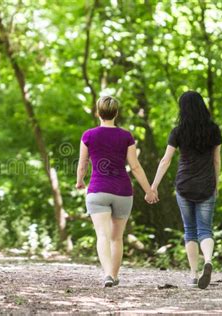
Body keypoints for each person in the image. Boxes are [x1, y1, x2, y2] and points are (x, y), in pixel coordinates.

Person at [76, 95, 158, 287]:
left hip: (98, 191)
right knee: (116, 237)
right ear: (116, 113)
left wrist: (80, 181)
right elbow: (135, 167)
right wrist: (149, 191)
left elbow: (82, 164)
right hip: (122, 191)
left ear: (97, 112)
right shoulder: (126, 136)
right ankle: (113, 274)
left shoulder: (88, 135)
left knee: (102, 236)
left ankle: (107, 275)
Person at [151, 91, 222, 289]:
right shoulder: (213, 130)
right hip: (206, 185)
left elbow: (166, 160)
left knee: (190, 230)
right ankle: (208, 260)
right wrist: (216, 185)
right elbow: (216, 161)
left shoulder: (178, 131)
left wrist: (153, 186)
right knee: (205, 229)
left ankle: (193, 274)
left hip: (184, 185)